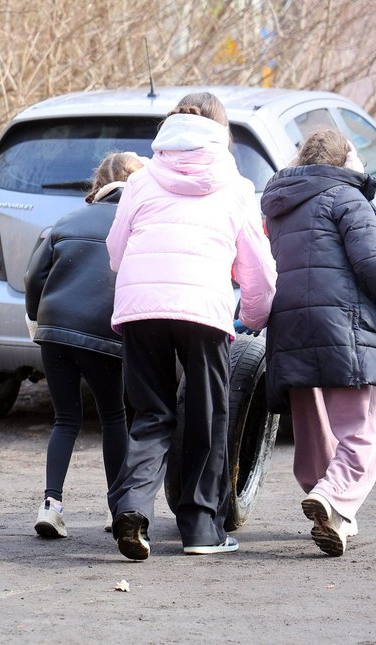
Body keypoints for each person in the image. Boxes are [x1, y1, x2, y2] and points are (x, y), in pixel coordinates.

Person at [105, 91, 277, 560]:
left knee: (151, 414)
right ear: (223, 132)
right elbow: (258, 272)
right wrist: (254, 318)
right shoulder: (236, 186)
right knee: (207, 417)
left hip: (141, 308)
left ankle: (132, 509)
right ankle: (201, 530)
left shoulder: (141, 180)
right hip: (203, 310)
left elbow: (116, 252)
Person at [262, 129, 376, 557]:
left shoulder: (278, 206)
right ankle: (332, 494)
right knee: (360, 429)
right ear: (347, 161)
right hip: (341, 327)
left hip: (289, 326)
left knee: (312, 431)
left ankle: (331, 512)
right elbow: (371, 263)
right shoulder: (347, 198)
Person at [24, 151, 145, 538]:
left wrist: (36, 319)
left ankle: (51, 505)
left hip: (54, 329)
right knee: (113, 417)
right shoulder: (137, 224)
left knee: (65, 419)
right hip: (102, 332)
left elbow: (33, 277)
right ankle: (117, 508)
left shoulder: (66, 221)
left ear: (98, 184)